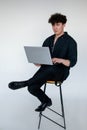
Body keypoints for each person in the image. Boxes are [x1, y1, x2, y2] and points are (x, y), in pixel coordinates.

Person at [8, 13, 77, 112]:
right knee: (32, 87)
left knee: (52, 68)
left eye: (58, 24)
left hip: (60, 72)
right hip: (45, 71)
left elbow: (73, 62)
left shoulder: (71, 42)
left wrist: (60, 60)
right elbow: (44, 59)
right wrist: (39, 62)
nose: (55, 27)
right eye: (53, 25)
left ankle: (25, 83)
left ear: (64, 24)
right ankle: (46, 101)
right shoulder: (48, 40)